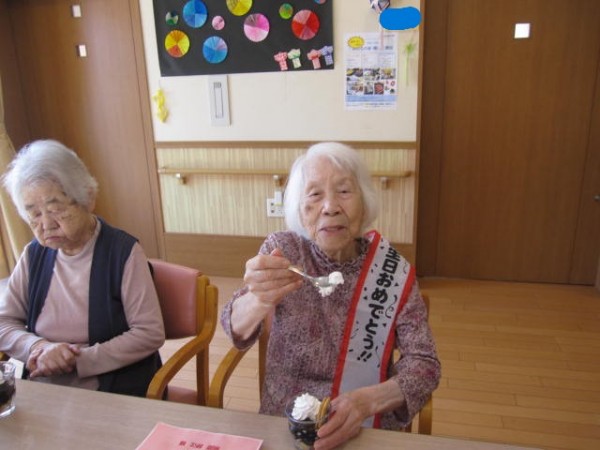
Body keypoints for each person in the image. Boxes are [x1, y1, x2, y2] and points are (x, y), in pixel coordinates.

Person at [221, 142, 441, 449]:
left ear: (364, 201)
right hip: (286, 422)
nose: (330, 206)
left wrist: (367, 402)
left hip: (364, 425)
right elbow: (234, 328)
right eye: (314, 194)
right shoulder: (284, 251)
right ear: (299, 208)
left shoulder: (391, 272)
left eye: (344, 191)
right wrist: (258, 299)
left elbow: (425, 364)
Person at [0, 139, 165, 397]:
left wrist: (77, 359)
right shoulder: (33, 254)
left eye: (56, 209)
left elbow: (149, 333)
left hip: (112, 390)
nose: (46, 224)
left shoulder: (123, 252)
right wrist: (38, 348)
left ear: (88, 198)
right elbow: (4, 322)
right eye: (34, 214)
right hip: (42, 387)